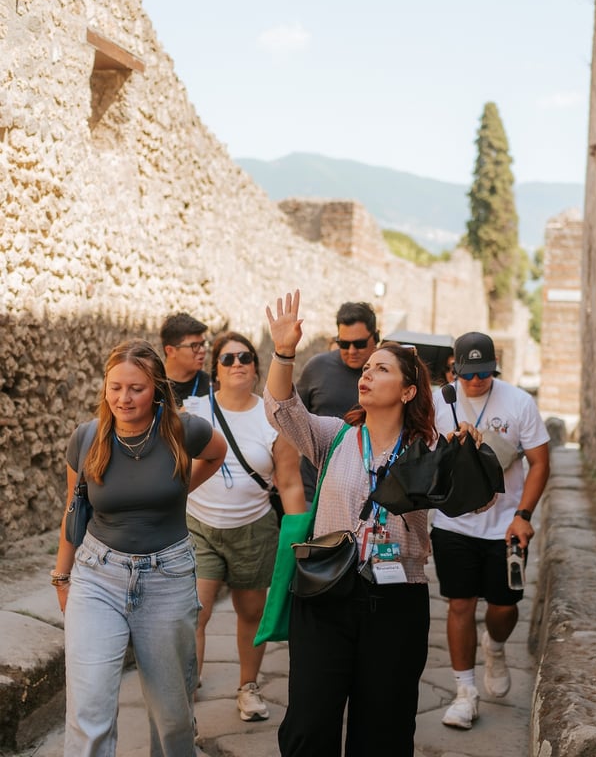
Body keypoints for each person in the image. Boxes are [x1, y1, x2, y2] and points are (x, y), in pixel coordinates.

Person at [264, 290, 437, 757]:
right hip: (325, 593)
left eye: (381, 368)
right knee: (308, 724)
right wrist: (283, 352)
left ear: (407, 390)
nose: (366, 373)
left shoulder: (428, 451)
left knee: (385, 729)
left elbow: (473, 504)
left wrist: (469, 455)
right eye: (365, 368)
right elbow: (282, 408)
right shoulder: (334, 435)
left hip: (398, 599)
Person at [52, 339, 227, 756]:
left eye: (136, 388)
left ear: (157, 390)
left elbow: (217, 453)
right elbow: (72, 511)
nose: (123, 398)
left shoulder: (184, 431)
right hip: (97, 575)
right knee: (88, 709)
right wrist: (62, 575)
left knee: (173, 716)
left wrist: (179, 490)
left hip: (167, 578)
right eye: (115, 387)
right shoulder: (87, 438)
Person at [431, 331, 550, 730]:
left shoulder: (518, 402)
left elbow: (540, 463)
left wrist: (524, 516)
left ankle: (495, 646)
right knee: (460, 605)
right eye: (468, 374)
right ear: (454, 369)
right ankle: (465, 692)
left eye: (485, 373)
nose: (477, 381)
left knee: (504, 607)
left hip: (505, 525)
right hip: (454, 523)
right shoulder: (439, 401)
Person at [186, 331, 305, 721]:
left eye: (245, 358)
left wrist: (299, 538)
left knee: (251, 611)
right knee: (196, 611)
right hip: (198, 525)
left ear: (255, 367)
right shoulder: (194, 411)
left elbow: (288, 482)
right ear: (214, 370)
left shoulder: (273, 416)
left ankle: (248, 687)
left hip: (253, 529)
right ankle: (187, 690)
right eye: (227, 359)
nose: (237, 364)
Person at [296, 301, 379, 504]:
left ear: (375, 337)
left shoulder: (387, 372)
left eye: (359, 344)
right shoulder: (317, 367)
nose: (351, 351)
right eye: (343, 344)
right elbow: (293, 418)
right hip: (314, 489)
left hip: (367, 492)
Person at [160, 312, 211, 408]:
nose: (202, 351)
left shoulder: (212, 388)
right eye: (194, 346)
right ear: (170, 351)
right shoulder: (152, 385)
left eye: (203, 344)